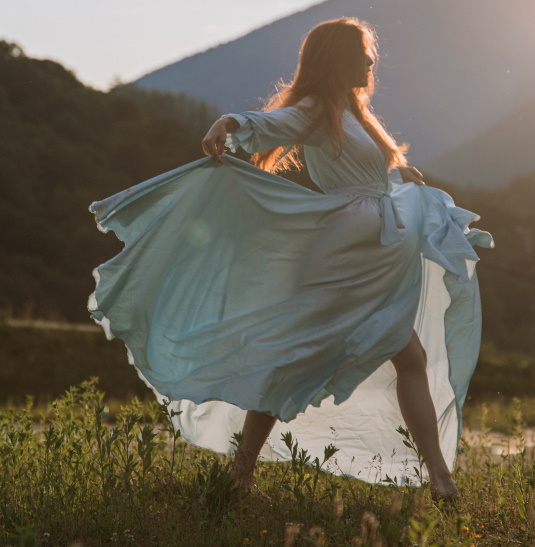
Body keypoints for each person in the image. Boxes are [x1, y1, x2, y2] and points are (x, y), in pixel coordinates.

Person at [89, 17, 492, 503]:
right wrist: (232, 123)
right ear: (337, 59)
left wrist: (399, 174)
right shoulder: (318, 108)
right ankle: (246, 474)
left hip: (374, 256)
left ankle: (438, 478)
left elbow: (367, 173)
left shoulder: (356, 112)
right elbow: (275, 124)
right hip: (346, 257)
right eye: (363, 53)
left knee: (400, 356)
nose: (371, 61)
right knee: (300, 358)